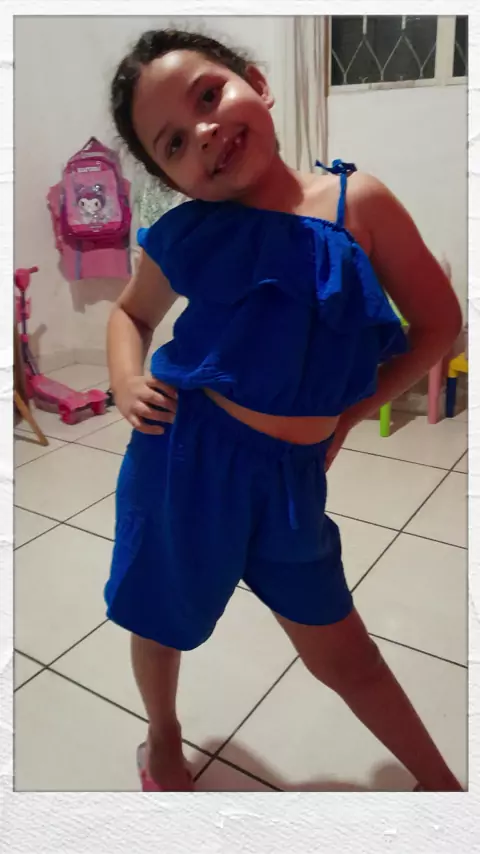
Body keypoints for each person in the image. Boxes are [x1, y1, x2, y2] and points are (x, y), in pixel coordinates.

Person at [105, 29, 463, 792]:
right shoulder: (187, 233)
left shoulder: (357, 203)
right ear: (173, 178)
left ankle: (444, 790)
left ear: (258, 84)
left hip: (291, 480)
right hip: (183, 460)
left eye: (209, 96)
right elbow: (130, 314)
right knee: (159, 613)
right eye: (175, 143)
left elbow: (439, 325)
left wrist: (350, 412)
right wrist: (125, 378)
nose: (204, 131)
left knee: (346, 652)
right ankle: (162, 733)